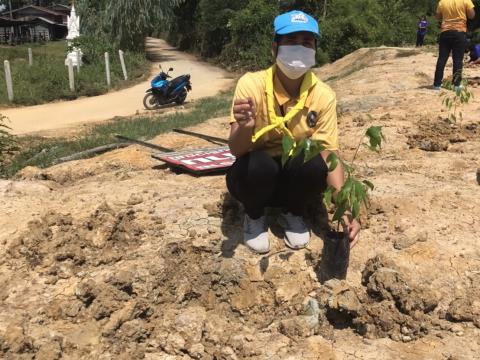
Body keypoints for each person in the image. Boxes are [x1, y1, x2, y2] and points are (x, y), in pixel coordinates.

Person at [226, 10, 360, 254]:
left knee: (314, 163)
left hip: (294, 183)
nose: (299, 48)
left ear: (315, 49)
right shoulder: (251, 84)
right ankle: (254, 215)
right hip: (257, 181)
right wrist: (245, 127)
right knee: (259, 164)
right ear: (274, 48)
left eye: (306, 42)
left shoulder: (323, 95)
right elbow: (236, 149)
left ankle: (294, 212)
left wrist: (345, 208)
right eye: (291, 41)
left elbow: (329, 153)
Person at [433, 0, 476, 90]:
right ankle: (456, 85)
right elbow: (472, 15)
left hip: (445, 32)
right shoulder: (466, 1)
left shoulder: (442, 2)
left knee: (442, 58)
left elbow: (437, 17)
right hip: (459, 32)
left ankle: (437, 84)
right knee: (457, 59)